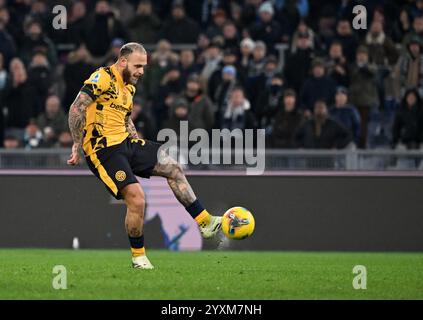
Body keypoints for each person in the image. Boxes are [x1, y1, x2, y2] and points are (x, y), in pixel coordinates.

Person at [67, 43, 222, 269]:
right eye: (138, 66)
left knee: (173, 167)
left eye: (144, 67)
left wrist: (136, 144)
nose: (141, 71)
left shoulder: (129, 88)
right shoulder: (102, 77)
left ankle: (205, 222)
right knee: (137, 198)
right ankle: (138, 257)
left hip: (126, 143)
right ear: (122, 62)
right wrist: (76, 143)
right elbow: (76, 107)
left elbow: (125, 117)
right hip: (103, 149)